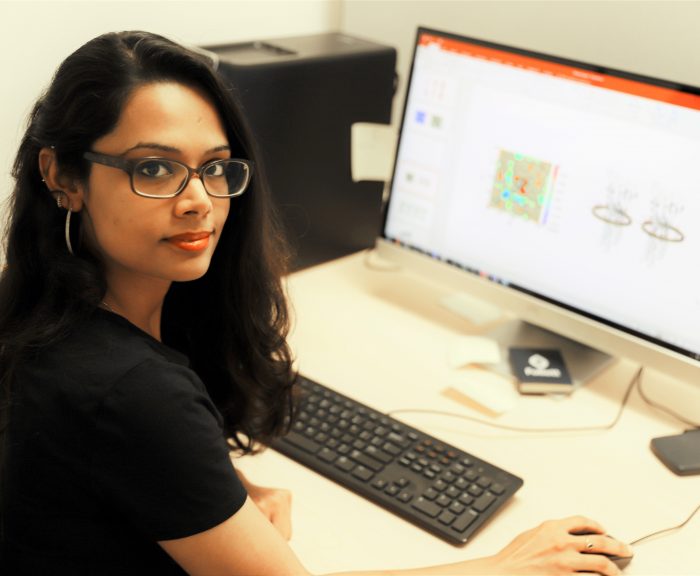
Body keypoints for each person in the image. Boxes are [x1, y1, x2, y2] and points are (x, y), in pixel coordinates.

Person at [0, 30, 632, 575]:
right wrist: (507, 565)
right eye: (155, 169)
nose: (199, 201)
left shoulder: (35, 305)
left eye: (216, 167)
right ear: (62, 175)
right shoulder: (128, 387)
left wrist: (218, 489)